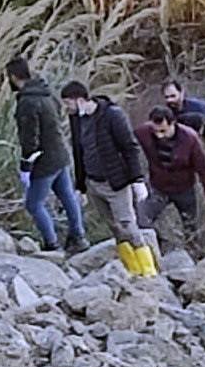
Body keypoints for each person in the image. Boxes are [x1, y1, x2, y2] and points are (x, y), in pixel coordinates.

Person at [61, 80, 156, 276]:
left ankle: (148, 270)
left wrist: (137, 179)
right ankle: (131, 269)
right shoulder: (77, 119)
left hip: (116, 183)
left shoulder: (112, 115)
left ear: (79, 100)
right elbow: (79, 152)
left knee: (127, 225)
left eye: (68, 103)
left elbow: (129, 147)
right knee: (114, 228)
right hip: (93, 182)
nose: (66, 108)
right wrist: (80, 186)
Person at [6, 57, 86, 254]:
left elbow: (29, 139)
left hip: (43, 161)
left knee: (33, 204)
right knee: (67, 196)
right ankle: (79, 237)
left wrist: (26, 165)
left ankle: (51, 244)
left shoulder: (27, 102)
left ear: (13, 77)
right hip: (60, 153)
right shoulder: (47, 93)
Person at [134, 105, 205, 238]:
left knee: (191, 228)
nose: (159, 135)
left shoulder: (190, 139)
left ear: (172, 123)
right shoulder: (144, 132)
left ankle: (193, 254)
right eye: (155, 131)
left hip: (184, 189)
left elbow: (204, 171)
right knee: (142, 219)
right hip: (158, 187)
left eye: (163, 131)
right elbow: (126, 141)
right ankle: (157, 245)